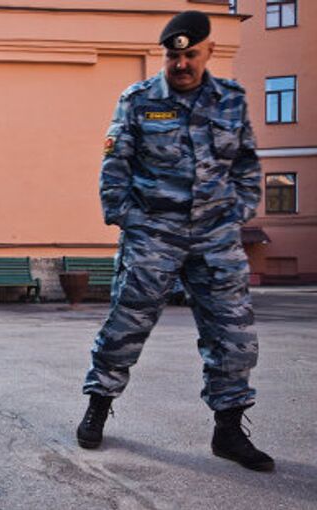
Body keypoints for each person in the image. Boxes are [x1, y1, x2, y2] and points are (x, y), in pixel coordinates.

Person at [76, 11, 273, 472]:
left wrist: (237, 213)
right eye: (173, 55)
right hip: (154, 233)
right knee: (125, 327)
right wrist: (129, 220)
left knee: (235, 337)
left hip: (215, 238)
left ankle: (228, 431)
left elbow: (246, 164)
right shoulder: (139, 99)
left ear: (208, 51)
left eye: (189, 54)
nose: (180, 63)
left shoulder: (231, 100)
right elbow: (115, 165)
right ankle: (98, 407)